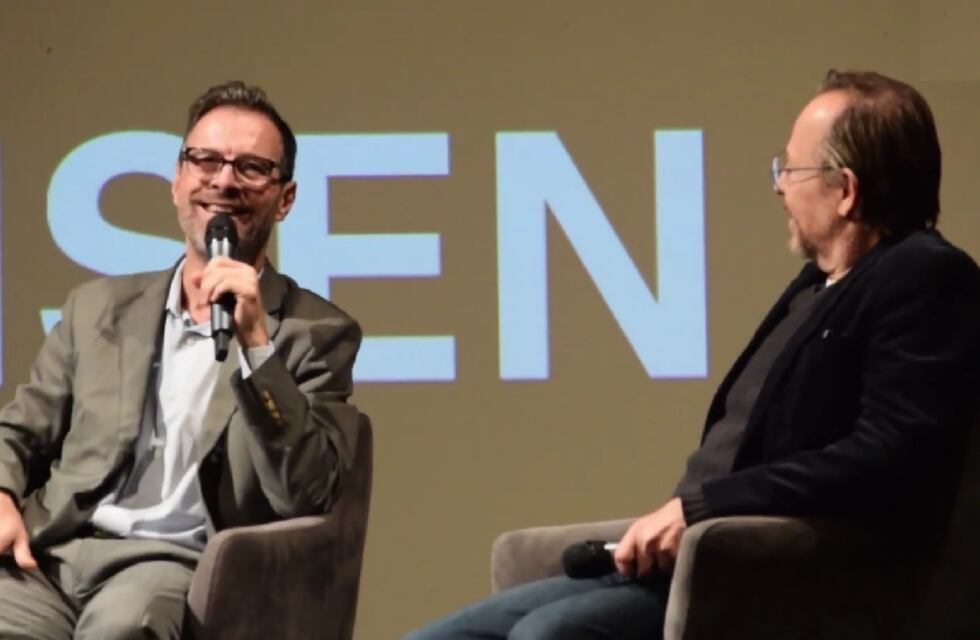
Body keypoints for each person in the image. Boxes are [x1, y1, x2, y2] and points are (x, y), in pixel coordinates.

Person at [404, 69, 980, 639]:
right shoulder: (815, 286)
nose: (779, 186)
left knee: (546, 635)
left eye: (791, 169)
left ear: (846, 189)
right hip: (688, 564)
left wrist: (706, 510)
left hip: (772, 579)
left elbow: (889, 455)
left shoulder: (925, 276)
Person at [0, 81, 362, 639]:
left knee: (121, 632)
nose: (223, 181)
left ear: (284, 198)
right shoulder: (97, 307)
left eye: (251, 168)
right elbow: (19, 431)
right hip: (51, 557)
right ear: (177, 179)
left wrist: (256, 345)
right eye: (206, 160)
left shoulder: (315, 334)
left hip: (164, 566)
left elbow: (305, 492)